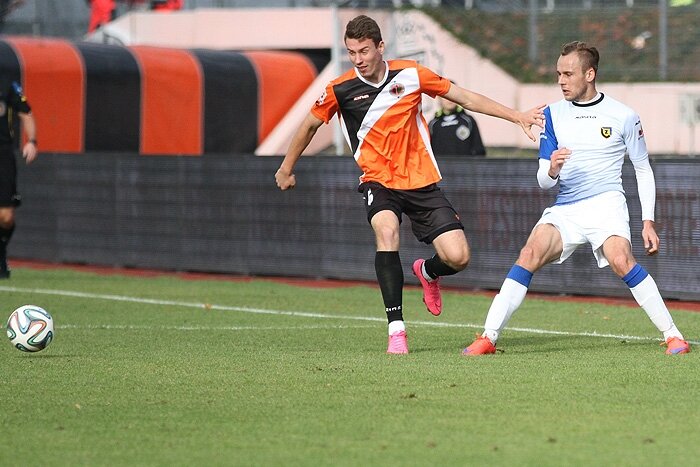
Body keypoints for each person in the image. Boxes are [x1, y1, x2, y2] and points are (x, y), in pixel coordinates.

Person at [275, 15, 544, 354]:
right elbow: (309, 126)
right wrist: (286, 168)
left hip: (421, 182)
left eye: (364, 51)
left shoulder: (412, 74)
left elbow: (464, 97)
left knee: (459, 257)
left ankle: (427, 272)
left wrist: (517, 116)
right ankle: (397, 331)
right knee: (387, 231)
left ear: (380, 47)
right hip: (378, 181)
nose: (358, 59)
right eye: (351, 52)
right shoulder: (339, 89)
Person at [463, 41, 691, 356]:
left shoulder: (624, 116)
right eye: (559, 74)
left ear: (590, 74)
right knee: (530, 252)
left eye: (568, 74)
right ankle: (488, 338)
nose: (561, 81)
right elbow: (543, 181)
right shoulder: (551, 115)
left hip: (607, 205)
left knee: (622, 260)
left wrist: (648, 221)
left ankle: (674, 336)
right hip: (567, 207)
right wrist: (553, 169)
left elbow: (643, 168)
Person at [0, 78, 37, 279]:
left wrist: (32, 141)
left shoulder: (8, 84)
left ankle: (1, 252)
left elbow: (26, 112)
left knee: (6, 216)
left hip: (3, 154)